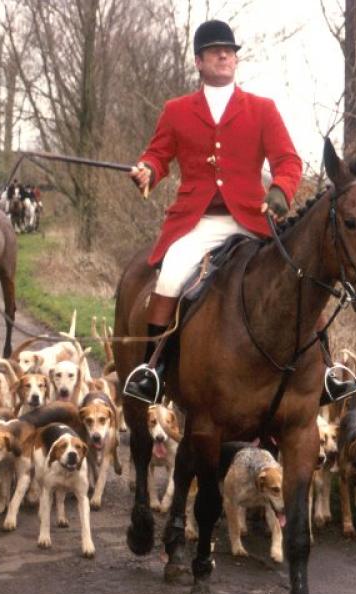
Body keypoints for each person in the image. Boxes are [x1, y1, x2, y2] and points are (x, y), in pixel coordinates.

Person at [122, 20, 303, 403]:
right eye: (215, 50)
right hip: (198, 222)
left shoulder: (262, 109)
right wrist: (148, 170)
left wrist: (279, 192)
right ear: (198, 61)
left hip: (252, 219)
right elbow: (158, 155)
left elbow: (288, 161)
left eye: (230, 50)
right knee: (171, 277)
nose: (224, 54)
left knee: (299, 274)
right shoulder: (176, 111)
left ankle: (326, 370)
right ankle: (153, 370)